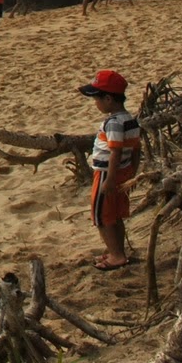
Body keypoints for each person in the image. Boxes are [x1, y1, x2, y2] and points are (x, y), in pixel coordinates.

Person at [79, 69, 141, 271]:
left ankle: (116, 255)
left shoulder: (113, 123)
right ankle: (117, 250)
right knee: (115, 215)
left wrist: (110, 179)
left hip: (108, 174)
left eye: (96, 99)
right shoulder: (130, 120)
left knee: (102, 217)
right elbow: (136, 149)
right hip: (123, 171)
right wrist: (132, 172)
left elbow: (115, 152)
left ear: (108, 99)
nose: (95, 103)